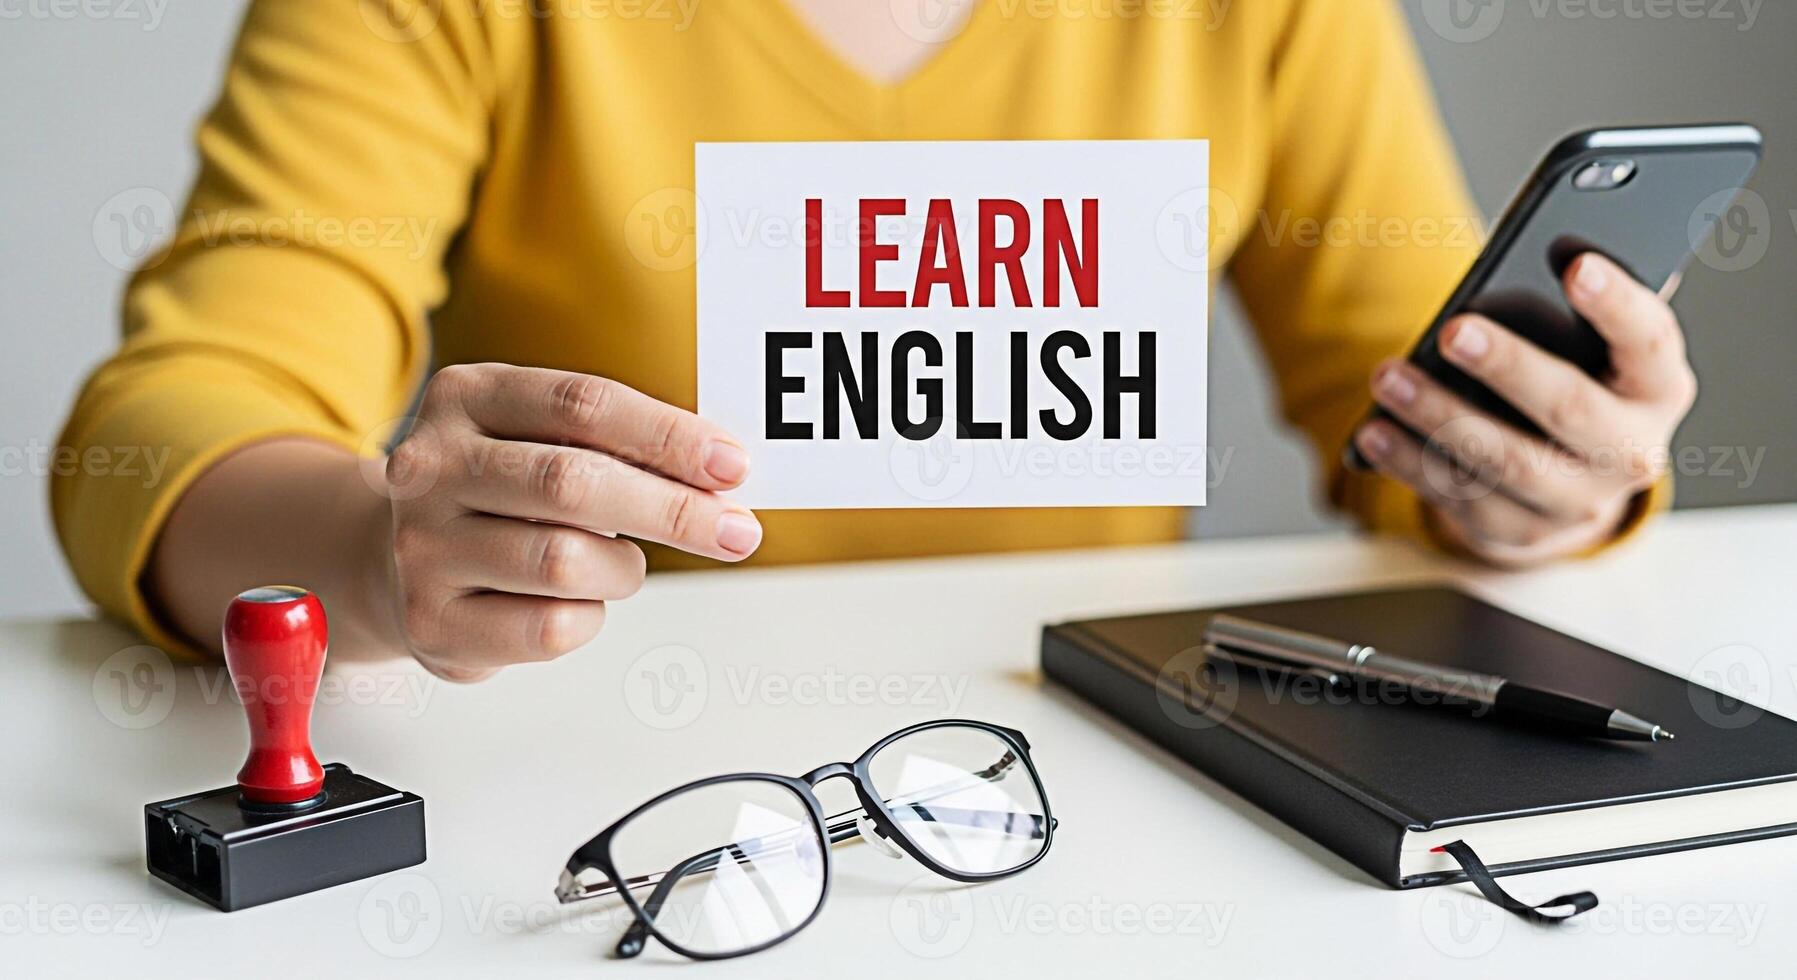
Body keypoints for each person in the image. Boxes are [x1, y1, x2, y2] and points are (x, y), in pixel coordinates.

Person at [54, 0, 1694, 681]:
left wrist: (1538, 481)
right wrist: (365, 548)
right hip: (607, 814)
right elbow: (187, 412)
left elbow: (1402, 401)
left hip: (1096, 780)